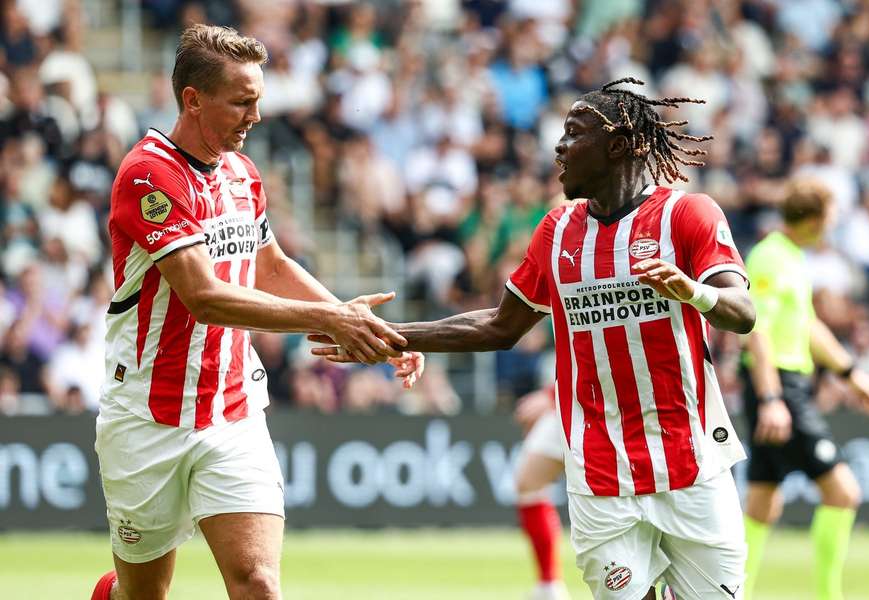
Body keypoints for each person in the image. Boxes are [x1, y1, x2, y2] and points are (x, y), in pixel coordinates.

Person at [315, 78, 756, 599]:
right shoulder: (558, 230)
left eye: (574, 133)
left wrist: (693, 293)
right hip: (600, 475)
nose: (559, 146)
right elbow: (501, 326)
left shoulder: (688, 214)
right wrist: (390, 335)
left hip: (693, 467)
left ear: (617, 145)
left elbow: (742, 314)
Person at [90, 24, 423, 600]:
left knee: (259, 585)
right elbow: (205, 296)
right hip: (148, 416)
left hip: (233, 410)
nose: (257, 115)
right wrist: (331, 321)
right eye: (243, 101)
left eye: (259, 100)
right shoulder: (150, 175)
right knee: (141, 592)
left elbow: (269, 264)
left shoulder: (243, 174)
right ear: (193, 101)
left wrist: (363, 323)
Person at [741, 178, 869, 600]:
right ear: (813, 219)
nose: (833, 224)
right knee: (844, 492)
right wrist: (771, 399)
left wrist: (851, 373)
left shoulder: (791, 257)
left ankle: (733, 592)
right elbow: (758, 332)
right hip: (779, 388)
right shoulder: (769, 258)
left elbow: (806, 326)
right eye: (831, 216)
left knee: (763, 503)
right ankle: (829, 596)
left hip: (785, 387)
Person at [513, 385, 569, 600]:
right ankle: (549, 584)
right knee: (528, 485)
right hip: (571, 396)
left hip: (591, 399)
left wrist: (553, 394)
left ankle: (549, 584)